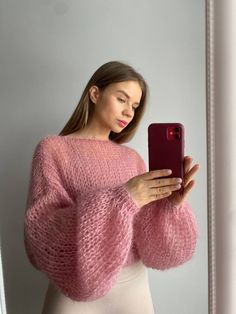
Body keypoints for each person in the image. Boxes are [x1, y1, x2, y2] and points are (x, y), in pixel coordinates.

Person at [23, 60, 200, 314]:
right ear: (95, 94)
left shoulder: (133, 159)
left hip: (132, 287)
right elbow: (41, 229)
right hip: (75, 291)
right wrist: (122, 198)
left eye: (135, 106)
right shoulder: (52, 150)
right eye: (122, 99)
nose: (129, 111)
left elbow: (151, 246)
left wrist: (169, 206)